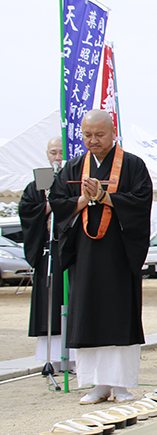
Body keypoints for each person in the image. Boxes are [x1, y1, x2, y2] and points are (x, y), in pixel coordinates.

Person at [49, 110, 152, 404]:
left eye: (99, 134)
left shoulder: (132, 165)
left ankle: (120, 385)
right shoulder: (73, 167)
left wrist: (106, 197)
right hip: (85, 256)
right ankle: (96, 384)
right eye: (87, 135)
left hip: (119, 255)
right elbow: (58, 204)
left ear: (113, 131)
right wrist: (84, 199)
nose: (92, 141)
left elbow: (141, 202)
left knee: (118, 315)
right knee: (88, 316)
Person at [19, 137, 75, 371]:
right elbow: (27, 212)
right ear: (46, 154)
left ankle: (71, 358)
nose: (57, 157)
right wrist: (49, 205)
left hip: (68, 252)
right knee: (47, 305)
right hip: (47, 254)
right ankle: (49, 359)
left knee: (70, 302)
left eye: (61, 152)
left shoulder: (72, 182)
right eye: (53, 152)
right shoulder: (36, 185)